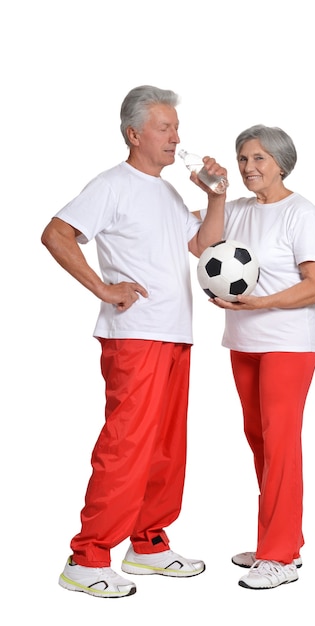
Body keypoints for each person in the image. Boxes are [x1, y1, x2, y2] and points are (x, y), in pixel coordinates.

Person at [41, 85, 227, 599]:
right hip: (135, 336)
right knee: (126, 446)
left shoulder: (167, 192)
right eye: (165, 128)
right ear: (134, 133)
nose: (176, 137)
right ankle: (88, 557)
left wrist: (215, 196)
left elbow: (203, 245)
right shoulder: (111, 185)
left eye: (176, 127)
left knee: (167, 448)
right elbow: (56, 233)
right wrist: (103, 287)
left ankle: (147, 545)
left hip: (175, 333)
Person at [196, 124, 315, 590]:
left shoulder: (302, 213)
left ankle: (278, 556)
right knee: (259, 439)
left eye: (258, 159)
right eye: (243, 159)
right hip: (245, 342)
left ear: (280, 162)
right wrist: (215, 196)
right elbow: (200, 246)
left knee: (280, 444)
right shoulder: (236, 211)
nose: (248, 168)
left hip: (288, 343)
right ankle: (281, 540)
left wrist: (263, 302)